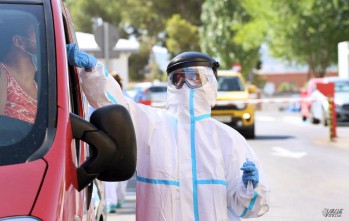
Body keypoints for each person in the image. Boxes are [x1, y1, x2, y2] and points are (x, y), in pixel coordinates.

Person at [67, 44, 269, 221]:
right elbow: (115, 105)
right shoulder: (152, 124)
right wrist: (93, 70)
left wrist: (250, 188)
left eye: (194, 78)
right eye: (178, 78)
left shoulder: (228, 139)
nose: (185, 84)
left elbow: (244, 208)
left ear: (210, 83)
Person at [0, 16, 38, 124]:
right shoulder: (2, 73)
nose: (43, 38)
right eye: (36, 32)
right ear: (19, 42)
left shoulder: (39, 84)